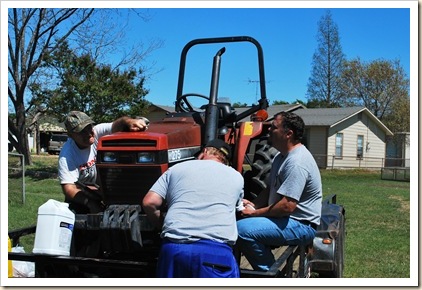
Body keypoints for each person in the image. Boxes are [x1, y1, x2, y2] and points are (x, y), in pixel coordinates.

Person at [142, 139, 244, 278]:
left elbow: (149, 202)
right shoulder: (236, 176)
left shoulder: (177, 168)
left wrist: (161, 225)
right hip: (215, 253)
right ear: (224, 159)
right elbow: (238, 208)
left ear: (205, 152)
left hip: (174, 249)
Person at [236, 111, 322, 271]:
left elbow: (287, 206)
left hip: (301, 224)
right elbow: (270, 189)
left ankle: (271, 276)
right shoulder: (281, 157)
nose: (269, 130)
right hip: (287, 219)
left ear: (288, 134)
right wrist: (253, 204)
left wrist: (254, 213)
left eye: (274, 127)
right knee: (241, 223)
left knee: (242, 230)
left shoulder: (297, 161)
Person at [58, 110, 149, 214]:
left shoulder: (97, 132)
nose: (88, 133)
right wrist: (90, 203)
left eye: (89, 127)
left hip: (102, 191)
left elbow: (117, 125)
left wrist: (129, 122)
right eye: (81, 131)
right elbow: (69, 189)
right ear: (71, 135)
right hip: (81, 196)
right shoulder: (67, 155)